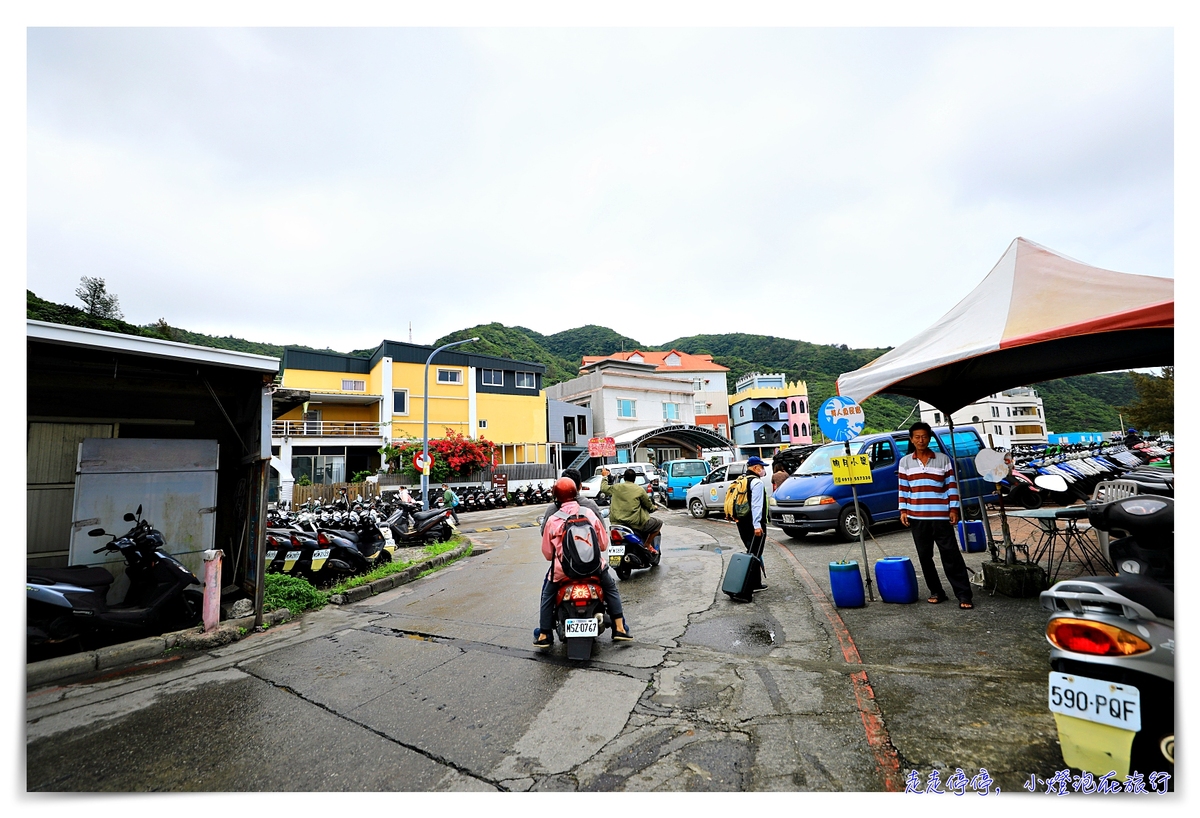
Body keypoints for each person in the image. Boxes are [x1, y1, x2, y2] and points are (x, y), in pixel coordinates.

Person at [534, 477, 632, 648]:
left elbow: (548, 554)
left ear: (556, 496)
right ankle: (619, 627)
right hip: (594, 569)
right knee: (611, 588)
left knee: (547, 594)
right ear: (576, 492)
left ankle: (544, 634)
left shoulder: (552, 519)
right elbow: (602, 544)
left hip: (563, 572)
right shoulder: (589, 513)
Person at [898, 422, 973, 610]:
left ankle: (964, 594)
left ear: (929, 438)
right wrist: (903, 511)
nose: (920, 440)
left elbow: (951, 486)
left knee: (951, 556)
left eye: (924, 436)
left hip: (941, 516)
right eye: (917, 437)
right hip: (917, 517)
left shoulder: (943, 459)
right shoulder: (905, 462)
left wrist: (954, 509)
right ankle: (937, 591)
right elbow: (903, 489)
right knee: (925, 556)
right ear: (911, 439)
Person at [730, 455, 771, 590]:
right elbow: (756, 506)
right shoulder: (756, 482)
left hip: (741, 522)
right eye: (761, 467)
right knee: (755, 554)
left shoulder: (742, 479)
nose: (763, 470)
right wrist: (757, 525)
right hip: (753, 524)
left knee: (751, 551)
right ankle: (752, 584)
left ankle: (752, 582)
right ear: (755, 467)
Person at [605, 468, 662, 553]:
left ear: (624, 478)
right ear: (634, 479)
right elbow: (648, 505)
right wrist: (654, 508)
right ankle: (647, 544)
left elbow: (603, 488)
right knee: (658, 523)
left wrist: (604, 477)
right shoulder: (639, 489)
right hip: (634, 524)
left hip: (616, 523)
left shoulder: (616, 487)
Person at [541, 468, 605, 536]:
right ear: (580, 486)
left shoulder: (552, 509)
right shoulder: (590, 506)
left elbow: (544, 533)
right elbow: (602, 531)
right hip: (589, 546)